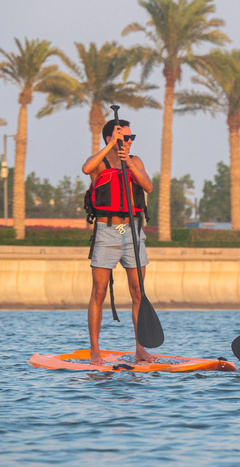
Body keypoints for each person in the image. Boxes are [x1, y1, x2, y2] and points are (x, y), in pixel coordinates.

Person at [82, 118, 154, 364]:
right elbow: (85, 169)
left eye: (132, 138)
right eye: (125, 138)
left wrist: (128, 164)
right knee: (99, 292)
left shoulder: (134, 161)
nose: (130, 142)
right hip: (106, 230)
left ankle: (140, 350)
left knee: (138, 293)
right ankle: (94, 351)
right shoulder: (98, 162)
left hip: (133, 231)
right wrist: (111, 144)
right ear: (110, 139)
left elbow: (148, 186)